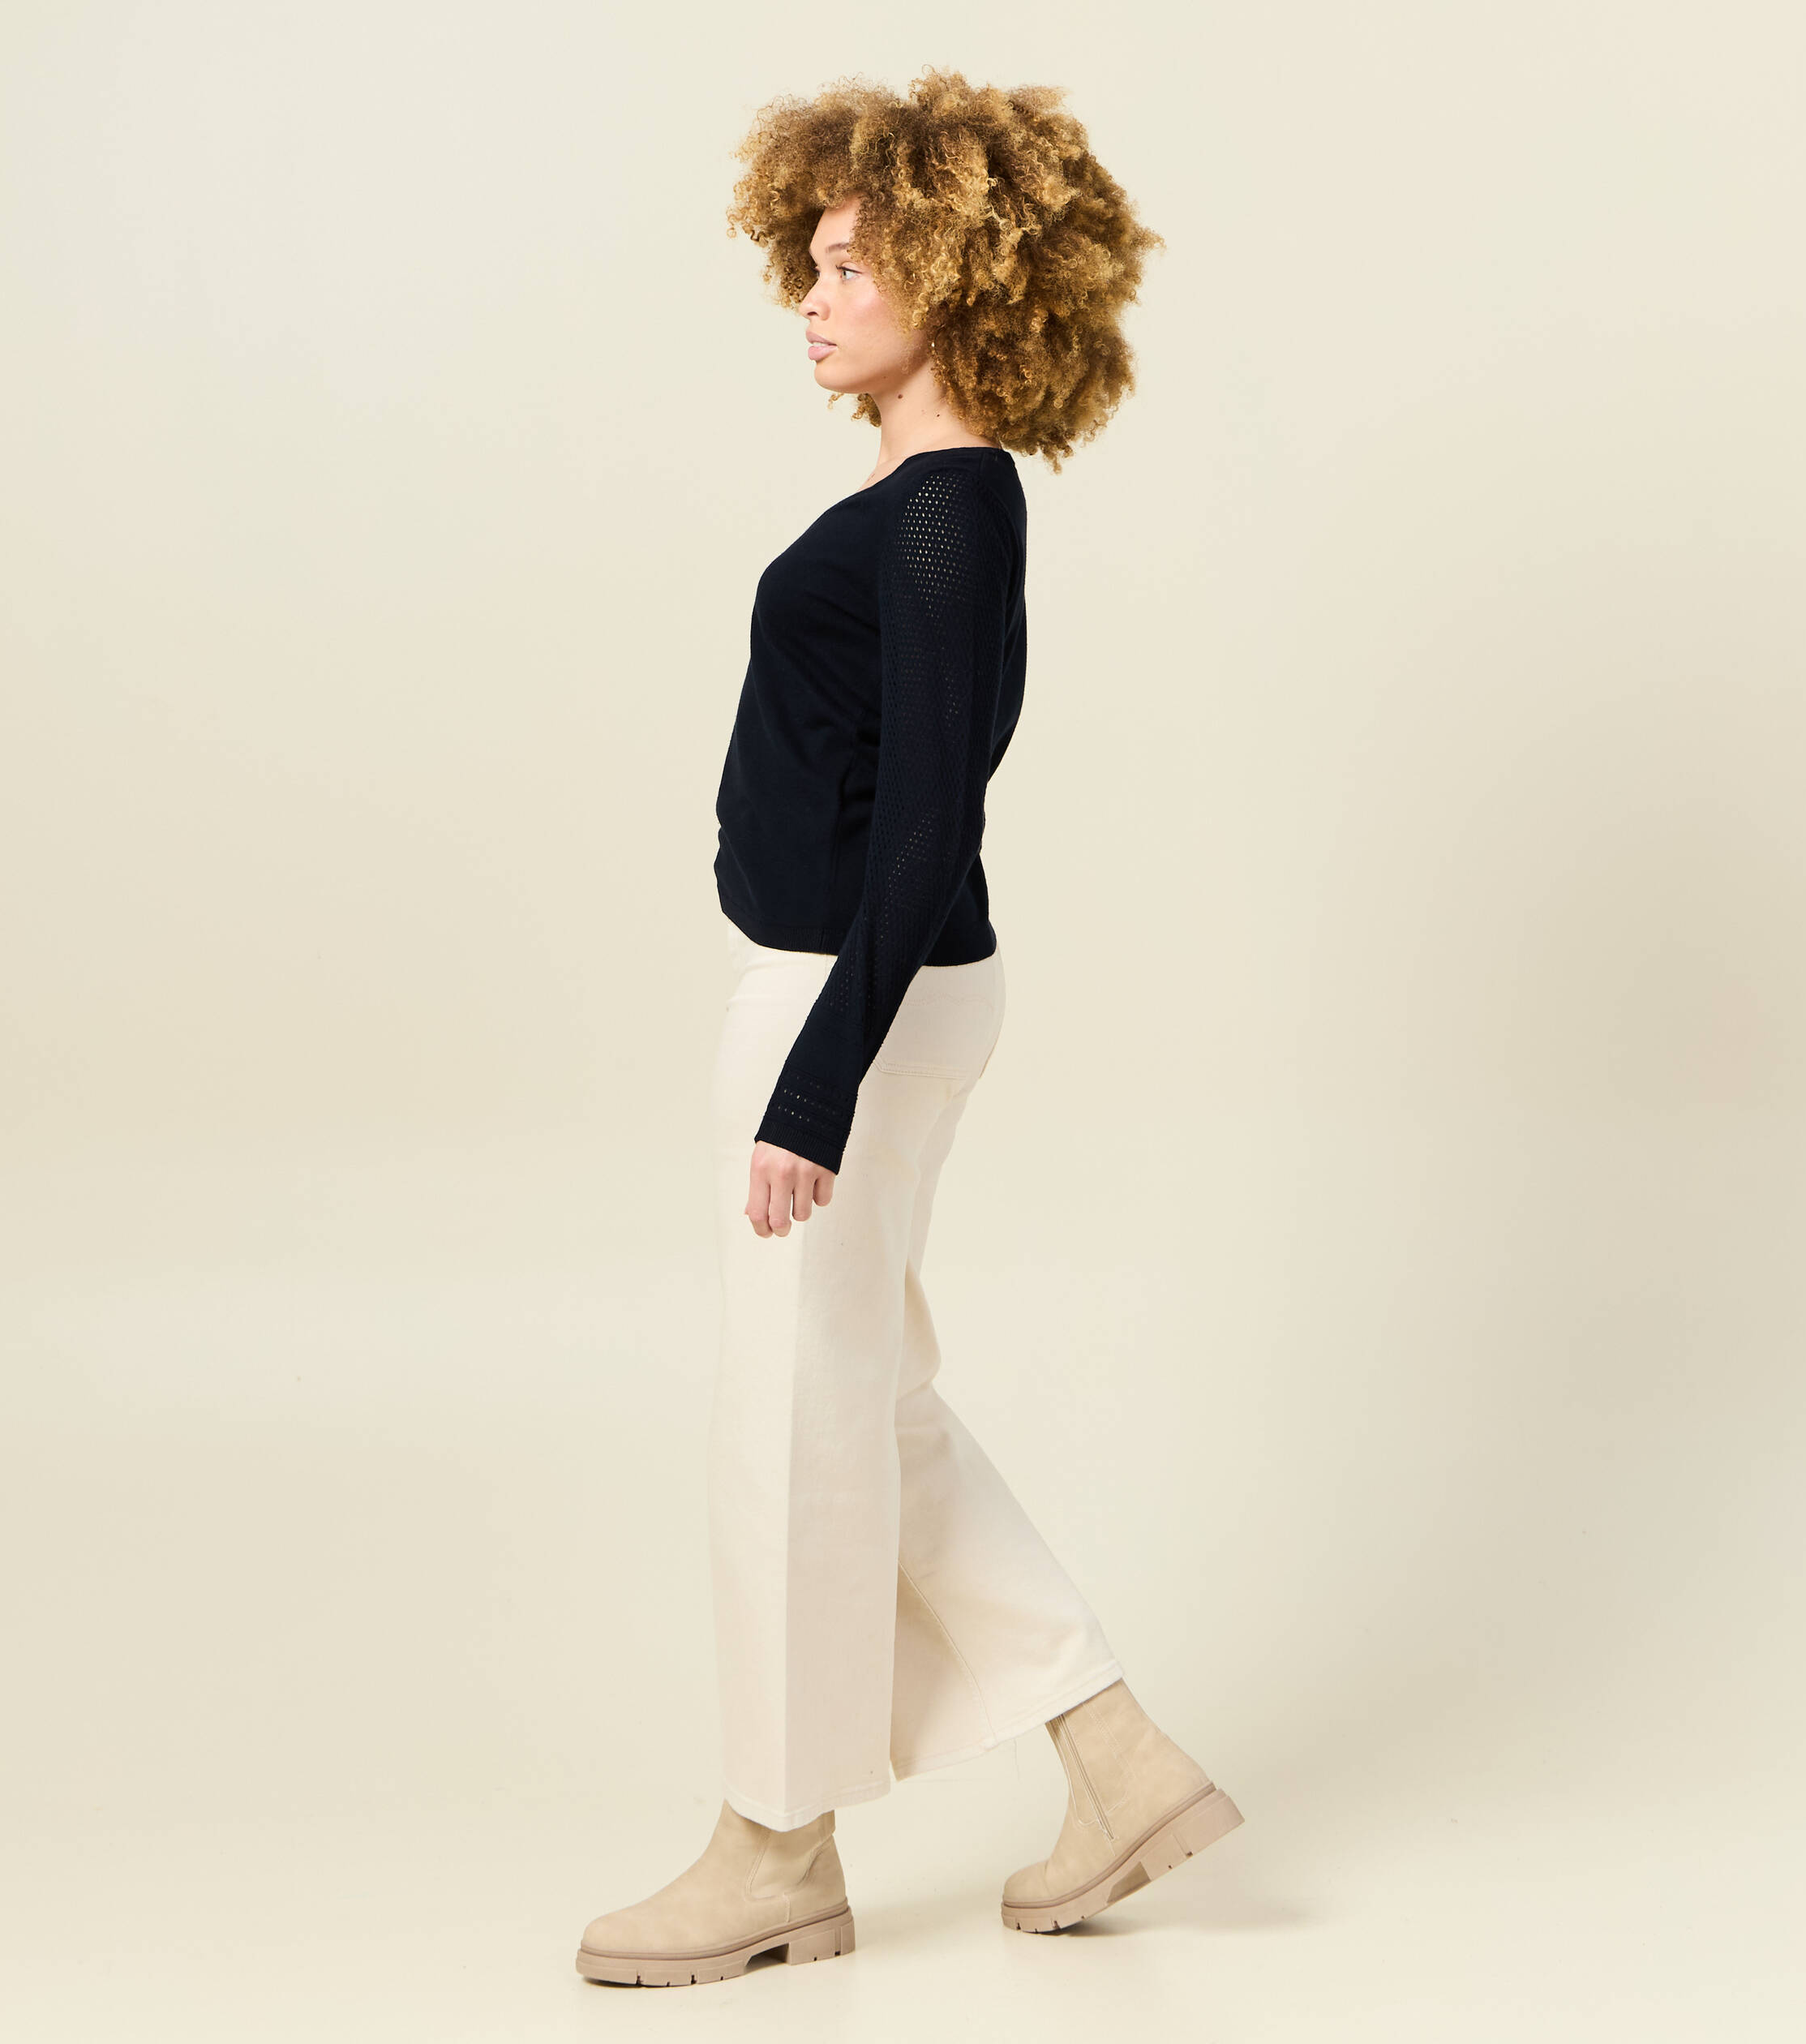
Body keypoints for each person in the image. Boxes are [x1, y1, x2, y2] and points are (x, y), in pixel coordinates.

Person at [576, 68, 1239, 1989]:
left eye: (854, 265)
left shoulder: (946, 513)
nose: (814, 294)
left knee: (788, 1425)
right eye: (809, 260)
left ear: (954, 275)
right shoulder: (920, 499)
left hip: (848, 1003)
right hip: (872, 990)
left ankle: (775, 1850)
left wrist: (814, 1082)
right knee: (866, 1403)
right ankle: (1118, 1762)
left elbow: (936, 816)